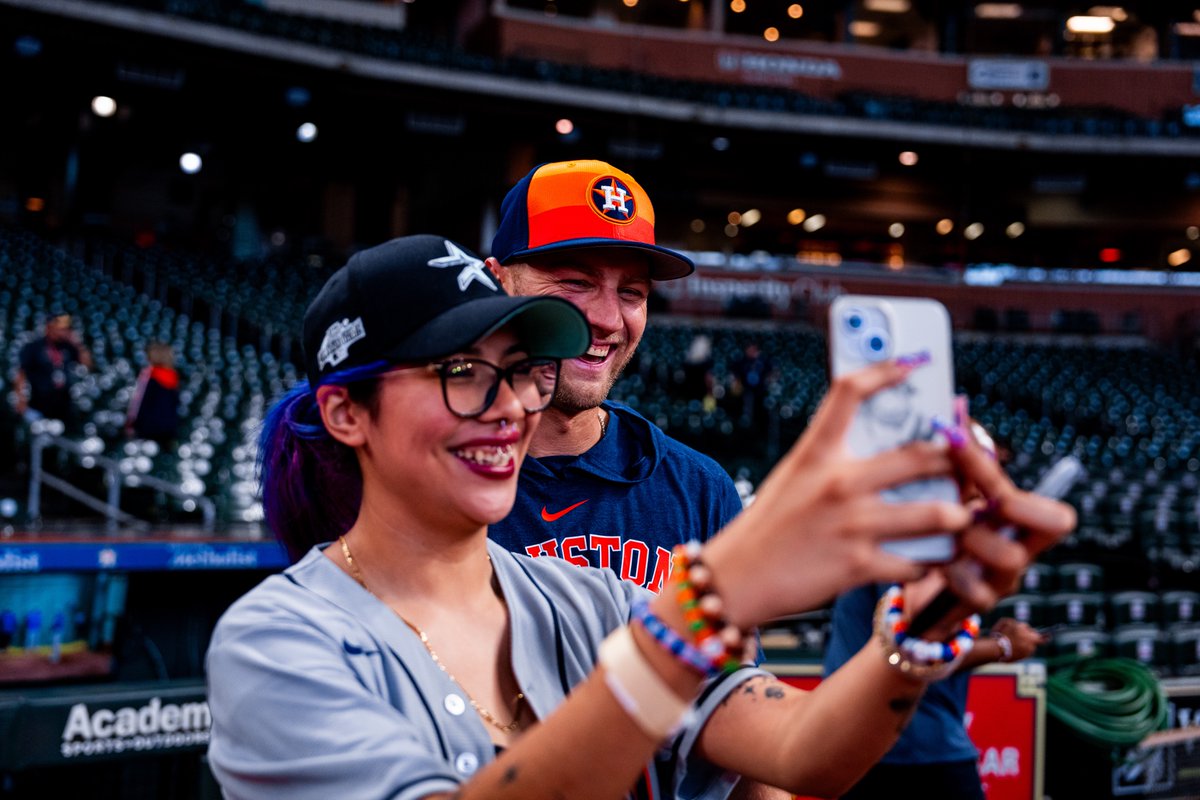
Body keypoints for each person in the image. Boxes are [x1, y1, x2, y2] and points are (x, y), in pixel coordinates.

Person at [205, 233, 1075, 800]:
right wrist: (716, 594)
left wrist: (922, 629)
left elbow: (802, 750)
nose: (509, 407)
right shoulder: (277, 642)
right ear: (345, 412)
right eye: (462, 371)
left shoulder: (593, 598)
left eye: (523, 369)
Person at [485, 160, 741, 593]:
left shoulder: (701, 492)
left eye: (631, 293)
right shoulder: (437, 477)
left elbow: (727, 662)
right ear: (498, 283)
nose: (607, 320)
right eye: (575, 283)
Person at [824, 586, 1046, 799]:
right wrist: (1003, 647)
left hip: (875, 747)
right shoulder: (910, 557)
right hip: (911, 749)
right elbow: (910, 650)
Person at [13, 313, 92, 427]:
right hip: (38, 403)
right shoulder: (34, 347)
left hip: (63, 404)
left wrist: (77, 343)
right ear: (49, 327)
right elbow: (21, 375)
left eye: (66, 329)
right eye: (60, 329)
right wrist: (22, 403)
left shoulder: (68, 347)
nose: (63, 332)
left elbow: (87, 365)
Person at [125, 341, 181, 446]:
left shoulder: (149, 373)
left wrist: (130, 423)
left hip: (146, 426)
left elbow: (138, 402)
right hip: (168, 427)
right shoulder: (173, 375)